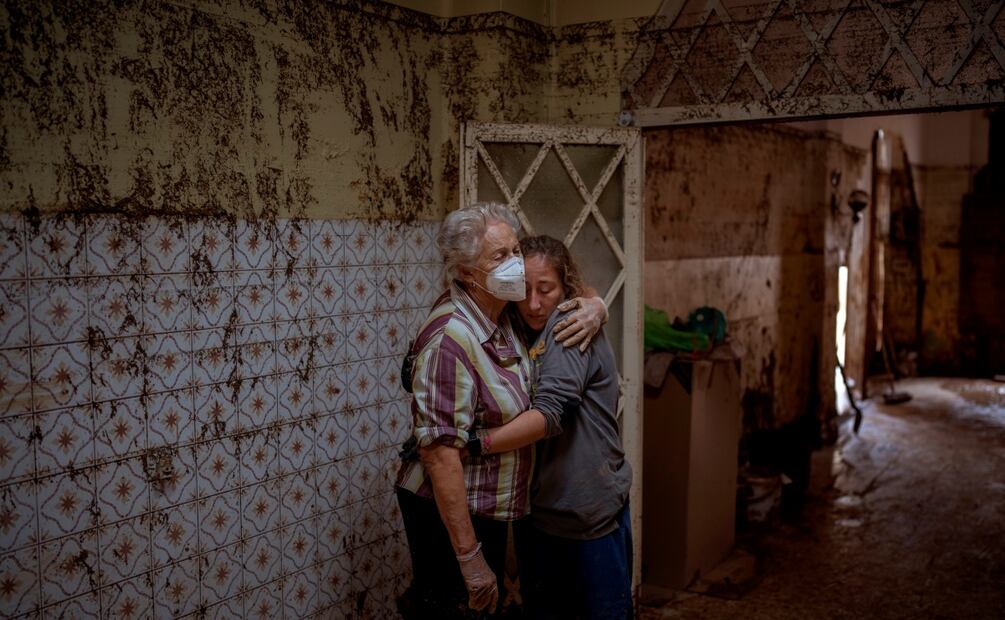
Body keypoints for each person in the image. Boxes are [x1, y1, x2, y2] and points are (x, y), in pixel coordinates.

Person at [394, 205, 606, 619]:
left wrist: (596, 307)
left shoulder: (502, 310)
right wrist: (469, 558)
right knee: (458, 606)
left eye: (515, 250)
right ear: (467, 272)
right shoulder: (451, 339)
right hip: (449, 510)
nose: (515, 264)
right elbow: (439, 456)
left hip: (489, 504)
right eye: (500, 256)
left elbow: (571, 286)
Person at [472, 235, 633, 620]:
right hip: (543, 511)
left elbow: (550, 414)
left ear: (566, 289)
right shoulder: (517, 324)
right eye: (524, 290)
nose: (533, 303)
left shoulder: (568, 324)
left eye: (546, 290)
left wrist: (475, 444)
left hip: (585, 510)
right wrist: (598, 303)